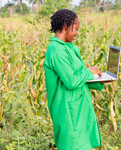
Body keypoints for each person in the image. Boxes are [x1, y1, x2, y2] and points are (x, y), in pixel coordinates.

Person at [44, 9, 111, 150]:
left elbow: (78, 75)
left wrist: (99, 80)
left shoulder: (68, 47)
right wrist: (88, 71)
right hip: (68, 111)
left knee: (83, 144)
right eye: (75, 29)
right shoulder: (56, 50)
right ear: (64, 26)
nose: (77, 33)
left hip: (78, 107)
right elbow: (71, 81)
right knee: (73, 145)